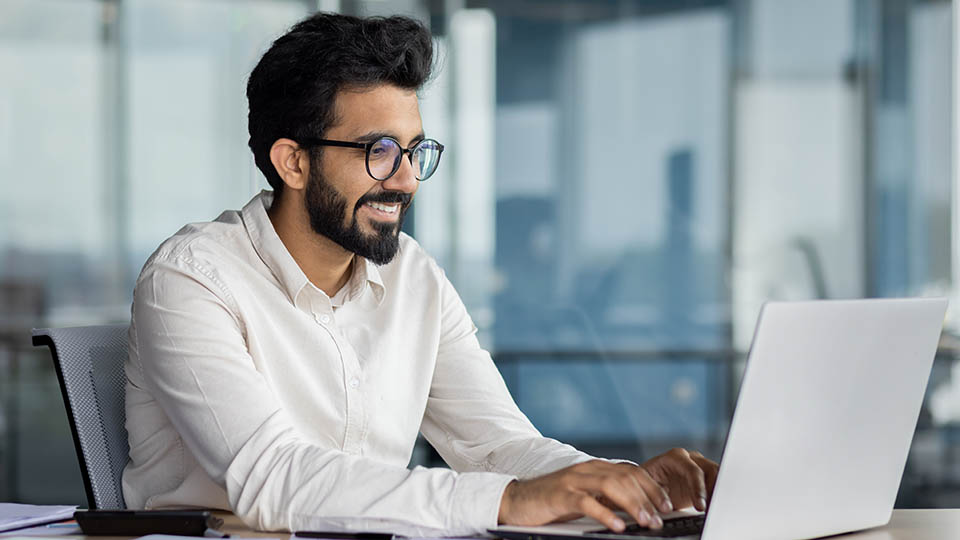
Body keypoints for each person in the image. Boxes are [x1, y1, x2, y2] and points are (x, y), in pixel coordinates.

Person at [123, 12, 718, 536]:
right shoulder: (190, 280)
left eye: (415, 151)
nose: (406, 180)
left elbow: (494, 443)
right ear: (294, 161)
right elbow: (273, 478)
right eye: (378, 151)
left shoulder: (413, 277)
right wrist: (511, 501)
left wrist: (624, 485)